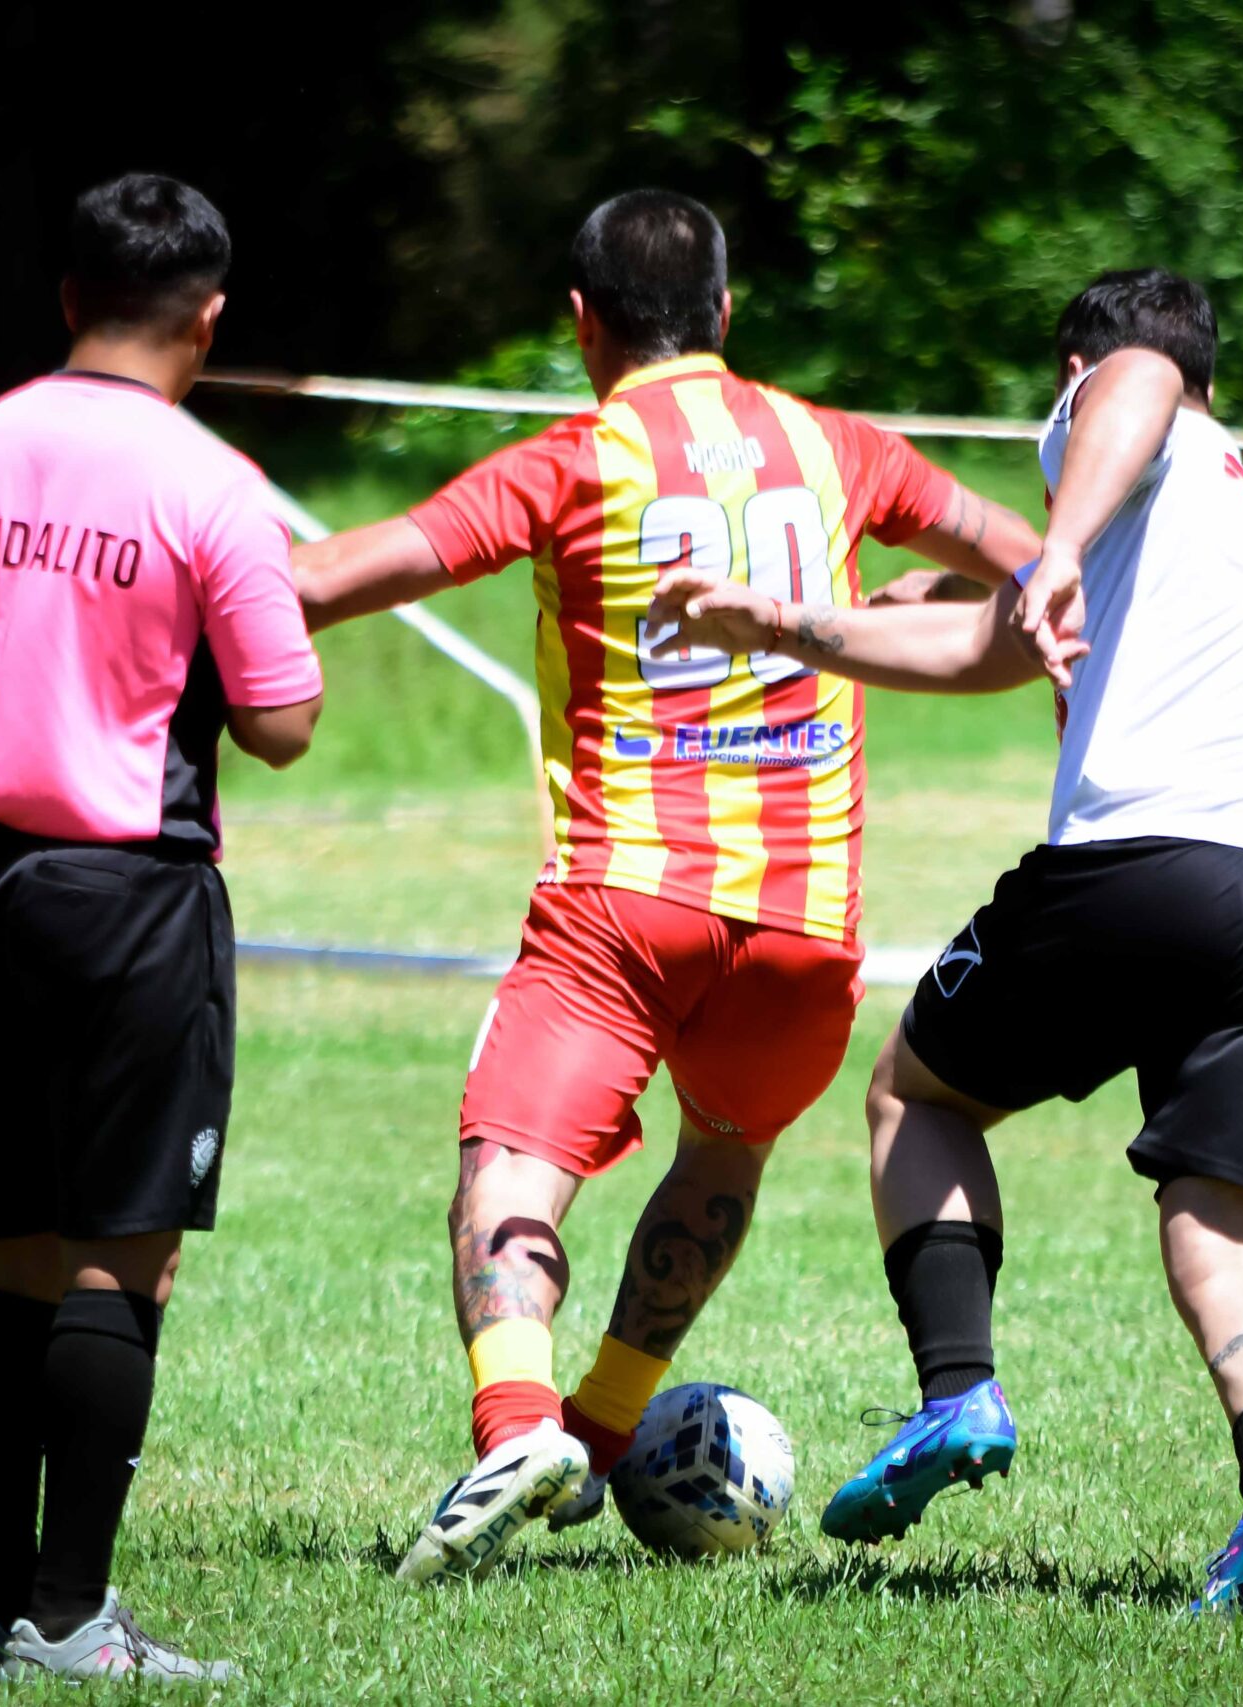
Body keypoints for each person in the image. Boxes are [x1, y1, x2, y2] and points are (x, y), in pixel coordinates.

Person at [291, 188, 1045, 1584]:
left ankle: (519, 1424)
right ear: (726, 311)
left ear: (583, 321)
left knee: (510, 1164)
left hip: (623, 904)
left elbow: (339, 579)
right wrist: (898, 617)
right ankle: (598, 1430)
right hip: (807, 928)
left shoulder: (570, 462)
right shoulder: (842, 447)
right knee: (721, 1158)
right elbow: (1035, 566)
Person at [652, 267, 1243, 1613]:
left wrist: (1062, 539)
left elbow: (1138, 378)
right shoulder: (1235, 514)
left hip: (1150, 861)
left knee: (914, 1093)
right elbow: (987, 645)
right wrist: (789, 627)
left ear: (1068, 379)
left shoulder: (1127, 404)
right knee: (1226, 1245)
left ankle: (958, 1394)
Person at [0, 172, 324, 1679]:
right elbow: (281, 726)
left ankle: (1, 1610)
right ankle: (69, 1619)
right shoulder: (211, 484)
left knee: (16, 1257)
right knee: (125, 1262)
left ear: (68, 299)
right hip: (131, 895)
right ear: (210, 319)